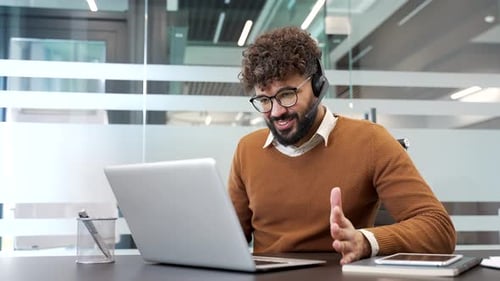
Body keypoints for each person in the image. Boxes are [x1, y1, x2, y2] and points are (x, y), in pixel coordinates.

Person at [227, 26, 456, 265]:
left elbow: (439, 229)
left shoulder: (371, 140)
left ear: (317, 85)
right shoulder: (247, 150)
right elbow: (229, 238)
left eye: (287, 95)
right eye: (264, 100)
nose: (276, 112)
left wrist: (366, 241)